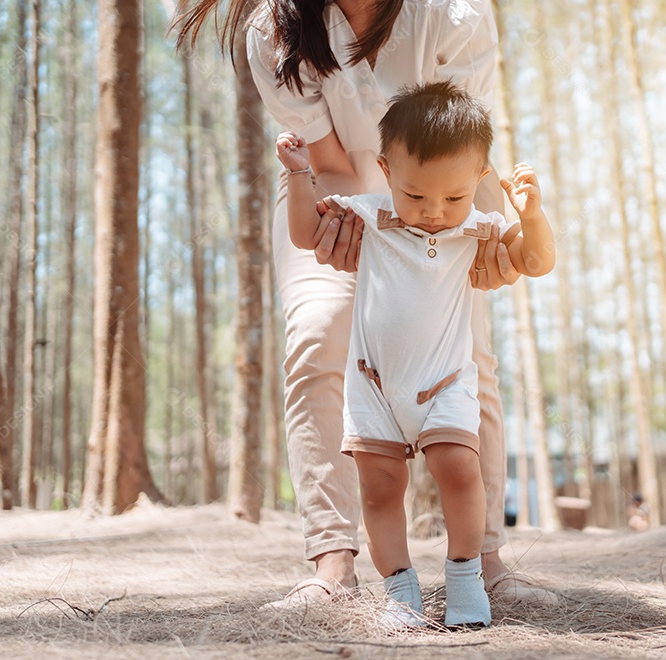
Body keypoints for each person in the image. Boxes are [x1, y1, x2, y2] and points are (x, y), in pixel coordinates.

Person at [173, 0, 556, 607]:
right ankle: (332, 563)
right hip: (332, 193)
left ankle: (485, 561)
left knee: (468, 352)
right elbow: (328, 161)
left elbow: (454, 143)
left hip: (448, 188)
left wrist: (473, 239)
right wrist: (364, 230)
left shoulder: (456, 14)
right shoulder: (274, 30)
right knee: (319, 332)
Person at [279, 81, 555, 628]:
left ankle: (465, 577)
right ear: (385, 172)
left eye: (452, 198)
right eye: (415, 195)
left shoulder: (477, 228)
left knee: (458, 469)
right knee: (381, 489)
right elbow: (307, 235)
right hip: (373, 384)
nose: (432, 212)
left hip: (447, 381)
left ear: (478, 183)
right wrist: (296, 174)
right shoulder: (371, 214)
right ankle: (400, 592)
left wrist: (533, 216)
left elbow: (536, 261)